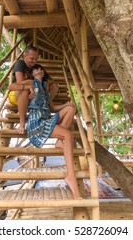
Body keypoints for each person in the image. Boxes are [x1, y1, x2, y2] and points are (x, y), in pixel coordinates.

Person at [25, 64, 81, 200]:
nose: (39, 70)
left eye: (41, 69)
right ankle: (70, 175)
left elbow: (52, 108)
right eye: (36, 69)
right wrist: (28, 92)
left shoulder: (44, 89)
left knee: (71, 109)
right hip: (36, 123)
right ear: (32, 73)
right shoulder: (31, 83)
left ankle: (59, 141)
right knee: (68, 135)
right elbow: (16, 88)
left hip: (46, 118)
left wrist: (66, 105)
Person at [8, 46, 58, 134]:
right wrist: (31, 83)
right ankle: (22, 123)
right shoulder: (20, 63)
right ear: (24, 56)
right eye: (31, 58)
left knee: (54, 85)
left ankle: (49, 104)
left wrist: (44, 82)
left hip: (34, 95)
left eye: (36, 59)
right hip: (17, 94)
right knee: (25, 90)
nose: (34, 61)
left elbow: (51, 81)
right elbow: (20, 83)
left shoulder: (37, 67)